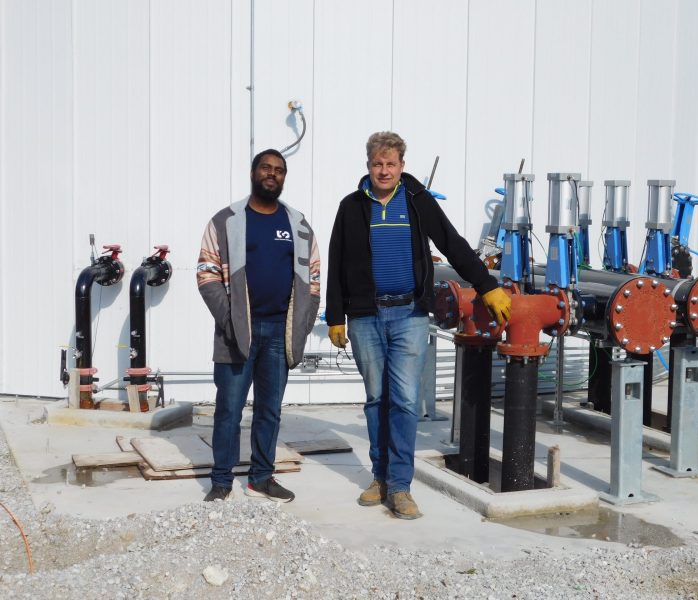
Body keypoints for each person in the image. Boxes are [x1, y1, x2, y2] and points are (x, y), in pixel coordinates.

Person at [326, 132, 511, 519]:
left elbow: (453, 242)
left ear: (401, 166)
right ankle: (379, 477)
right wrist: (335, 316)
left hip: (409, 315)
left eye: (391, 164)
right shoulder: (351, 207)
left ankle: (400, 485)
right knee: (377, 399)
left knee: (406, 401)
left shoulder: (416, 201)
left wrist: (487, 286)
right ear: (368, 166)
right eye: (377, 164)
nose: (384, 170)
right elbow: (336, 261)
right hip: (365, 318)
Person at [197, 148, 320, 502]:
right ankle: (221, 481)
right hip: (237, 336)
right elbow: (206, 275)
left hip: (279, 335)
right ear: (253, 173)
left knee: (269, 410)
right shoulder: (227, 220)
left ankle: (261, 477)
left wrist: (303, 325)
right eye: (265, 168)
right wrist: (231, 322)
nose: (272, 174)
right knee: (229, 410)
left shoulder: (297, 223)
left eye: (279, 170)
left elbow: (313, 280)